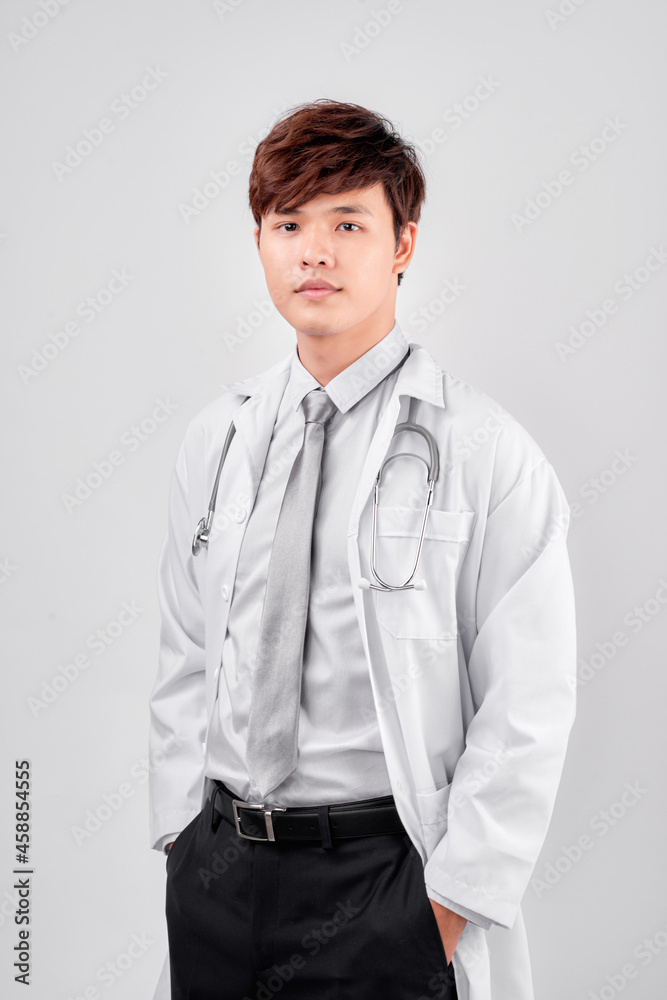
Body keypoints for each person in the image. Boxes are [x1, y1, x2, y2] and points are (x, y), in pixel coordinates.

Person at [148, 98, 577, 1000]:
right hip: (219, 877)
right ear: (259, 243)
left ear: (402, 244)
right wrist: (183, 843)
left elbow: (528, 703)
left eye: (348, 223)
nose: (315, 251)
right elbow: (187, 654)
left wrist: (443, 910)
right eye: (288, 224)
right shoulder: (217, 439)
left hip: (382, 884)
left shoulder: (484, 451)